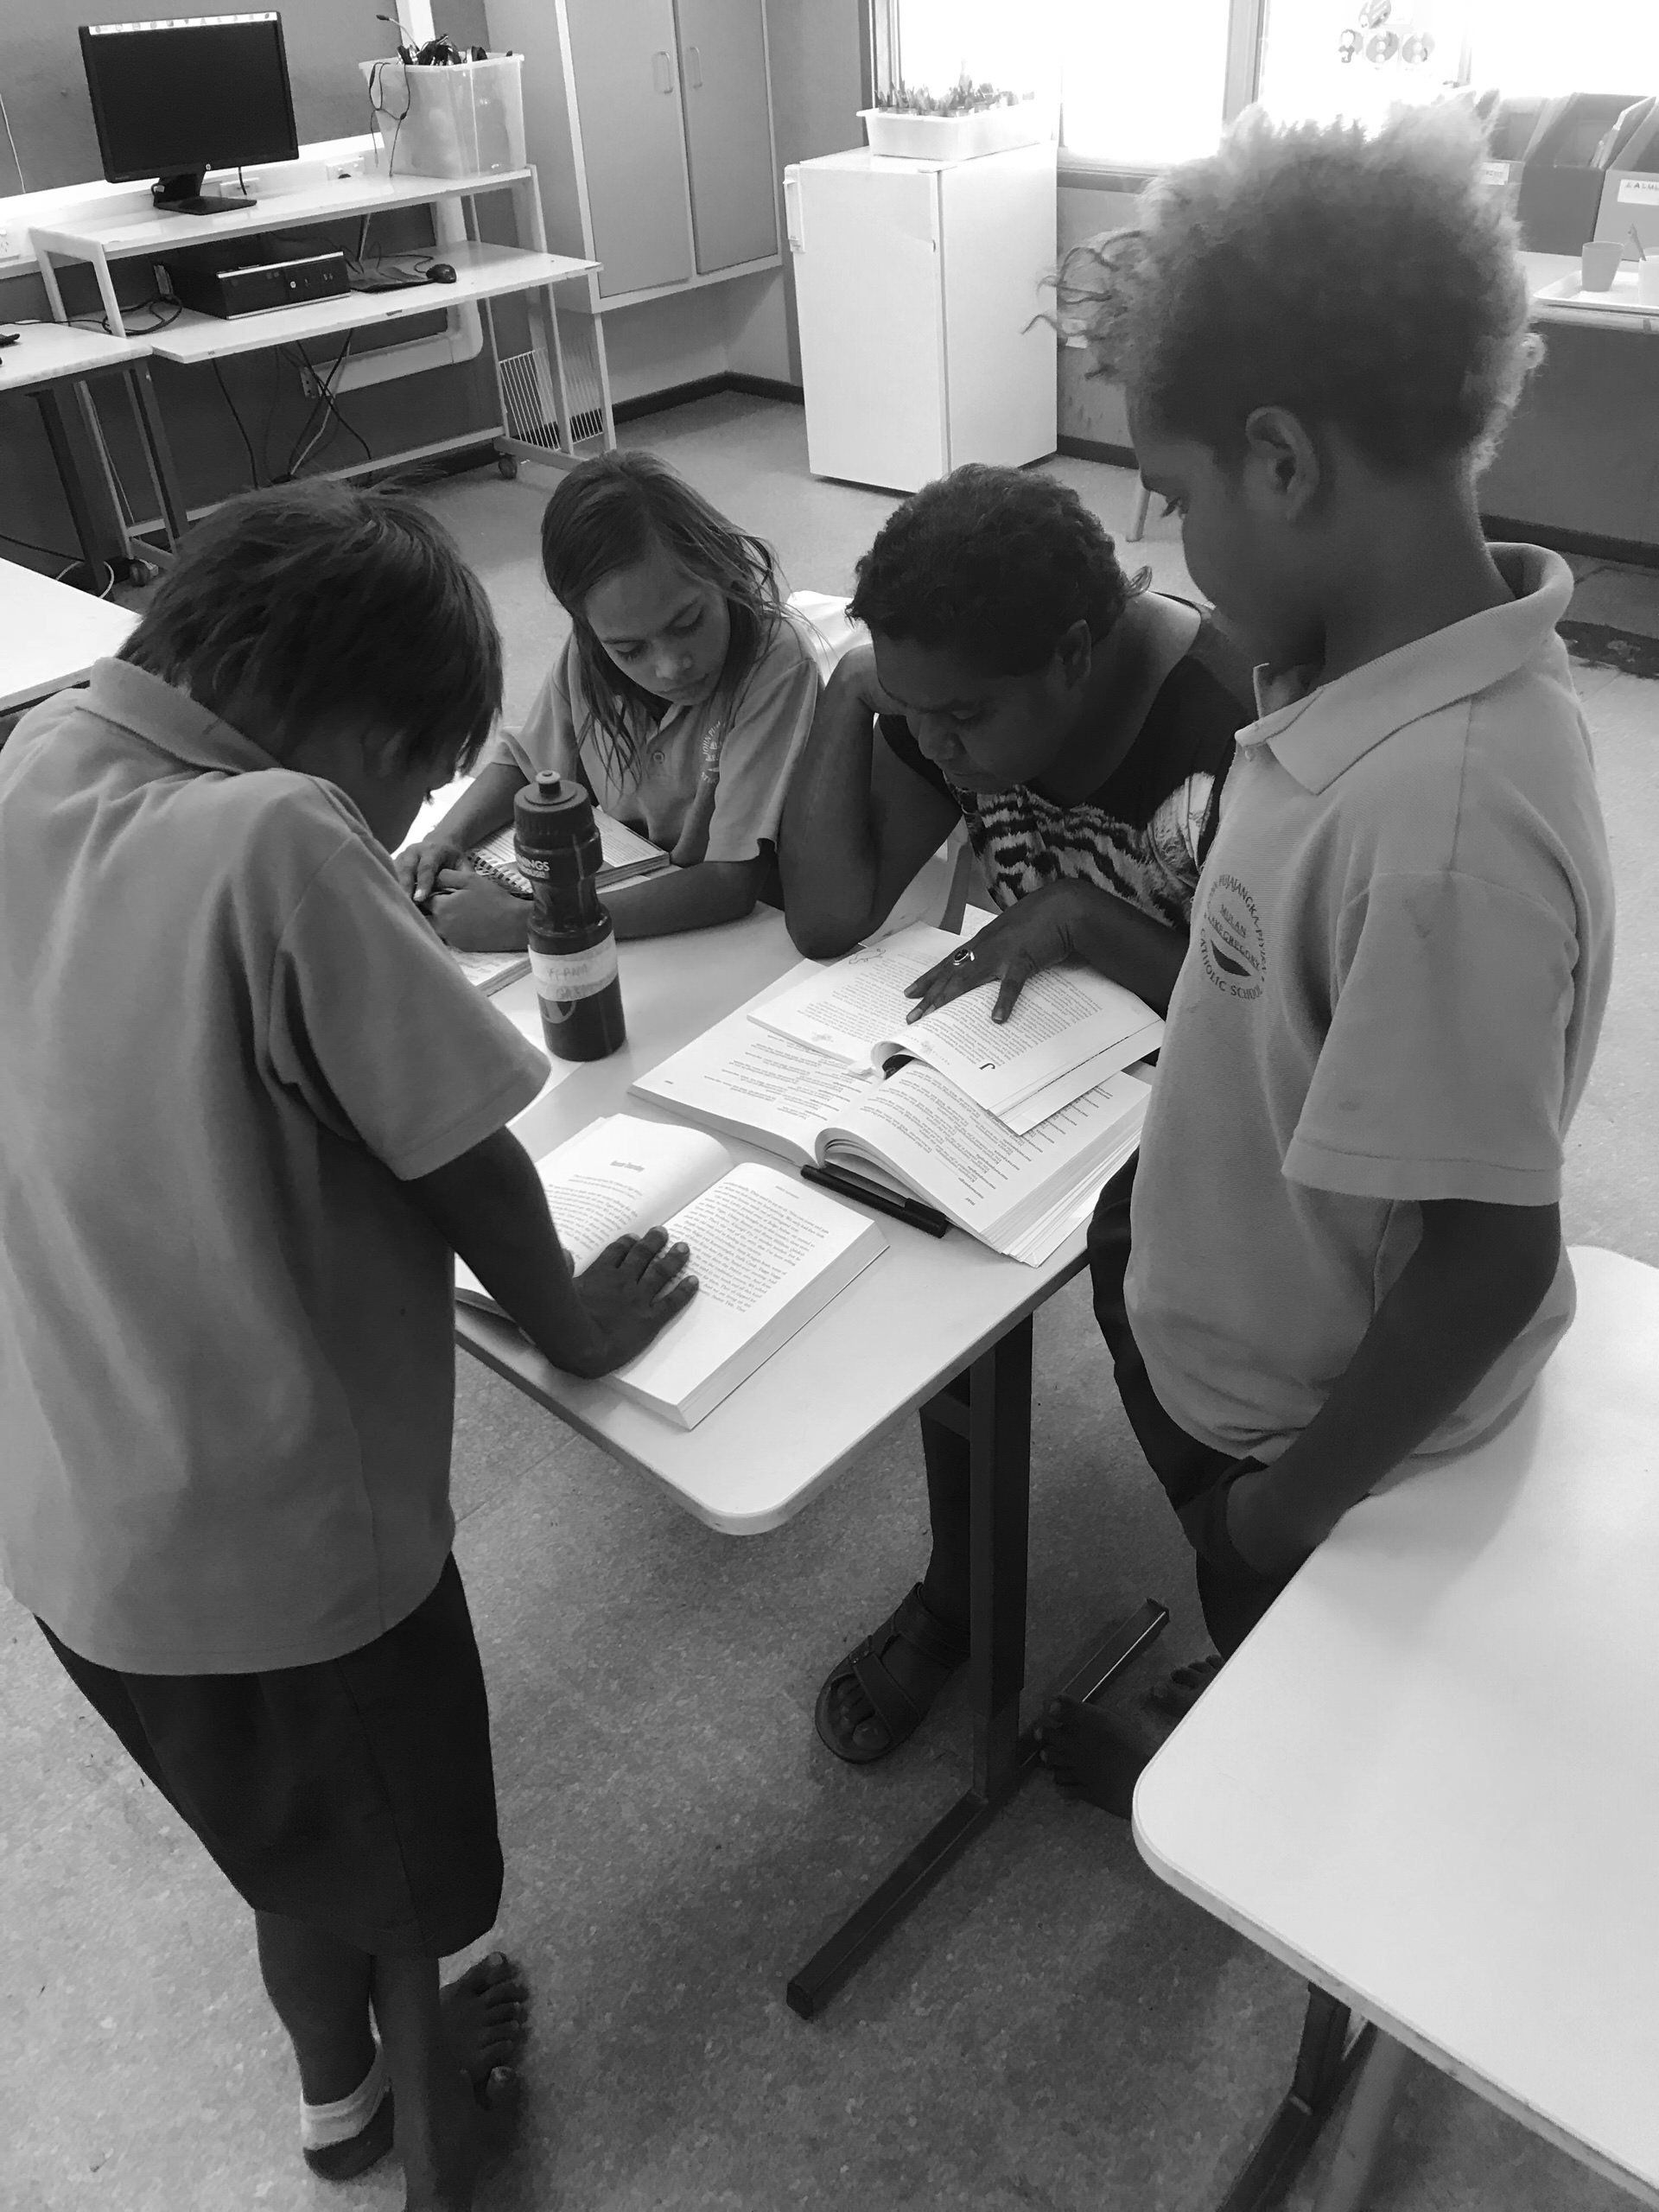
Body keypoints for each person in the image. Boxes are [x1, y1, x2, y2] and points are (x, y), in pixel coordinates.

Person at [0, 483, 696, 2207]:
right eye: (411, 776)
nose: (396, 822)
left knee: (291, 1855)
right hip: (298, 1571)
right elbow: (458, 1143)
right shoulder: (281, 835)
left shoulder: (29, 771)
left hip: (84, 1536)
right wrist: (567, 1312)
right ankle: (446, 2157)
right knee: (406, 1895)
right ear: (356, 733)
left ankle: (340, 2105)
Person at [1033, 102, 1615, 1810]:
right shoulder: (1347, 682)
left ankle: (1267, 1725)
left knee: (1295, 1664)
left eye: (1175, 496)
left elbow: (1489, 1258)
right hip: (1232, 1287)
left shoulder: (1440, 828)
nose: (1167, 551)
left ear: (1281, 462)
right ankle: (1251, 1660)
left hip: (1303, 1430)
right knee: (1261, 1616)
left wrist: (1280, 1512)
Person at [780, 461, 1255, 1764]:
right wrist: (847, 692)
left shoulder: (1232, 730)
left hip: (1229, 1121)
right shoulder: (951, 699)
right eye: (913, 714)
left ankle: (1265, 1650)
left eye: (962, 722)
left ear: (1076, 652)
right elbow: (828, 913)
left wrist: (1089, 917)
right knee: (905, 1221)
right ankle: (962, 1583)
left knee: (1197, 1374)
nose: (936, 751)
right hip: (1042, 1083)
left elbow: (1277, 1027)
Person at [397, 449, 820, 943]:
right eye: (629, 649)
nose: (669, 667)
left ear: (722, 569)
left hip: (739, 931)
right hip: (631, 894)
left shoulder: (774, 662)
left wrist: (535, 923)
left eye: (688, 623)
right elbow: (527, 765)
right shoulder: (590, 650)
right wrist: (445, 838)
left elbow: (730, 883)